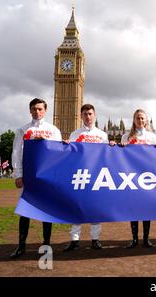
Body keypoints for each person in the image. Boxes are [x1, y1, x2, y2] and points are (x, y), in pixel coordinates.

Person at [10, 98, 62, 258]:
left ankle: (46, 245)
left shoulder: (53, 130)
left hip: (47, 176)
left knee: (47, 211)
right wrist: (18, 174)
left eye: (40, 109)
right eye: (34, 109)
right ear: (30, 110)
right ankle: (21, 245)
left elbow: (59, 154)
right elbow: (17, 153)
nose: (37, 112)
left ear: (45, 110)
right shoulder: (23, 130)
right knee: (25, 211)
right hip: (29, 176)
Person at [63, 104, 115, 252]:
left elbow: (107, 156)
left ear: (94, 115)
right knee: (76, 208)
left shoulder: (102, 135)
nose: (88, 116)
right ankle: (74, 240)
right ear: (81, 116)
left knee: (95, 209)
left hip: (96, 176)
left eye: (90, 114)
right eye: (85, 114)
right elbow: (70, 154)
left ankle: (95, 239)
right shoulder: (75, 134)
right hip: (79, 175)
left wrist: (111, 145)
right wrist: (65, 146)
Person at [121, 109, 156, 248]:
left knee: (146, 208)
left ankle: (146, 238)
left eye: (143, 118)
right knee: (133, 208)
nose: (140, 121)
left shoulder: (152, 137)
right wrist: (120, 147)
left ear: (146, 120)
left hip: (147, 175)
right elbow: (120, 156)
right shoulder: (126, 137)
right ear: (134, 120)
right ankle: (134, 239)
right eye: (138, 118)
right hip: (131, 176)